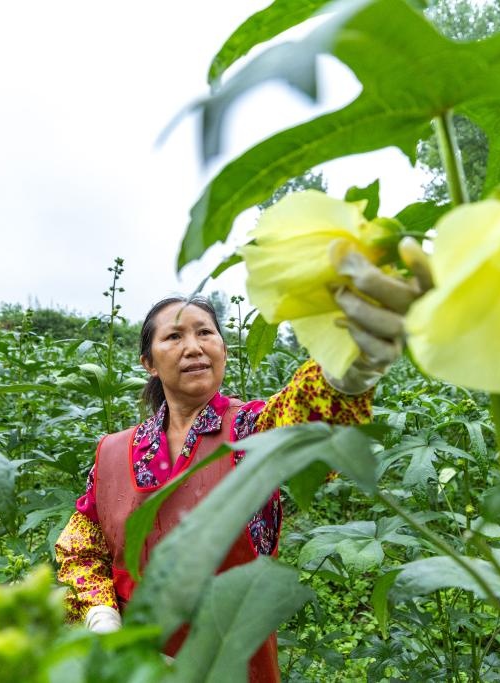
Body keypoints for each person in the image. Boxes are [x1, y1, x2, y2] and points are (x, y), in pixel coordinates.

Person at [55, 248, 428, 682]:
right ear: (149, 363)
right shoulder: (113, 452)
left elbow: (302, 419)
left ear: (223, 348)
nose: (193, 347)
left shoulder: (250, 428)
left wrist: (352, 359)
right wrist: (100, 614)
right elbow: (83, 546)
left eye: (205, 333)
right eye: (174, 337)